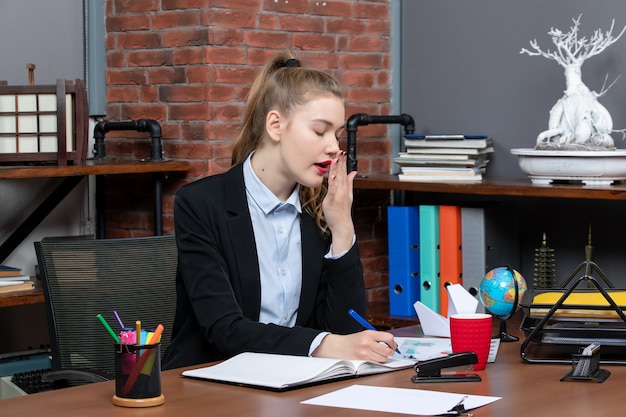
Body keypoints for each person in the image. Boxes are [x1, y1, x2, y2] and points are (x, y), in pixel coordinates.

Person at [162, 50, 399, 370]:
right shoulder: (202, 205)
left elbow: (347, 332)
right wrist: (322, 344)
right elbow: (222, 328)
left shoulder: (321, 210)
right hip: (210, 382)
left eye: (337, 134)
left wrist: (343, 230)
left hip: (294, 383)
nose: (333, 146)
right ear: (275, 125)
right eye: (319, 131)